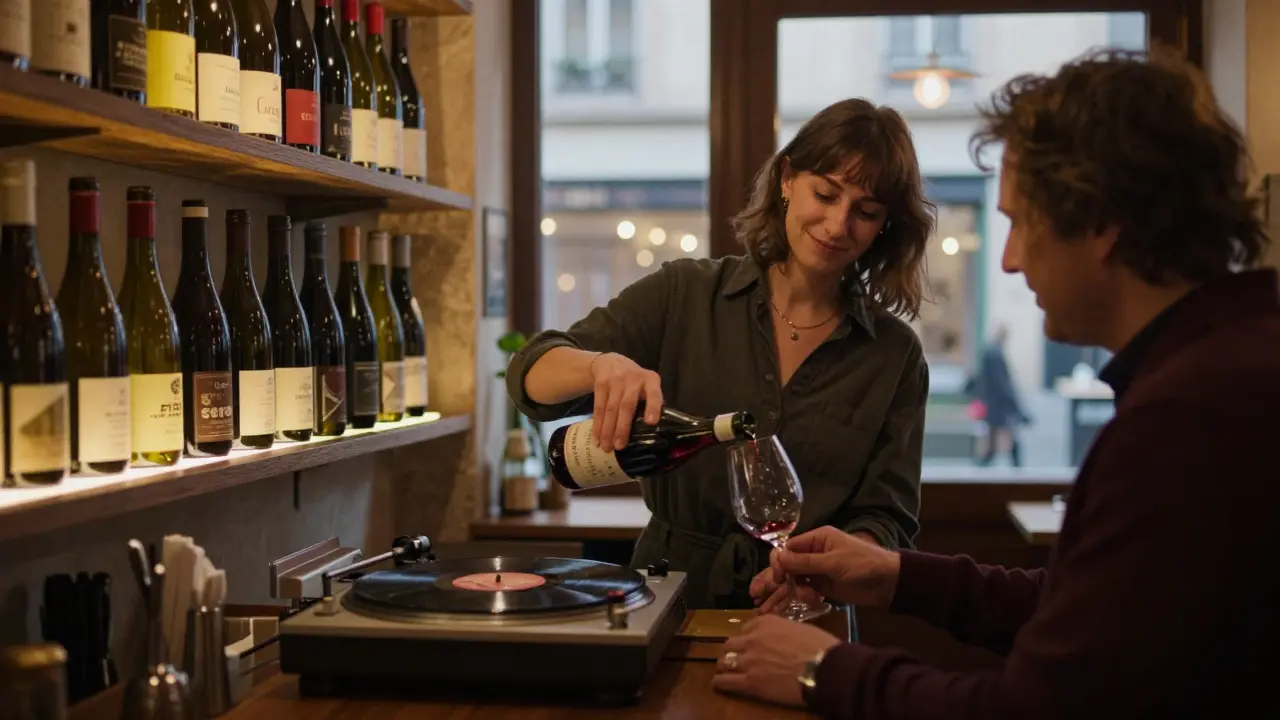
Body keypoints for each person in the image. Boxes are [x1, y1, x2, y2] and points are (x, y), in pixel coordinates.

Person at [721, 47, 1278, 716]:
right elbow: (1095, 614)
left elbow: (1041, 707)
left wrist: (824, 672)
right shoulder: (1231, 365)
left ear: (1099, 223)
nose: (1009, 261)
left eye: (1018, 222)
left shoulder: (1190, 416)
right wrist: (895, 575)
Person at [506, 98, 934, 609]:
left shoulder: (893, 354)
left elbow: (886, 516)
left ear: (886, 225)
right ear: (787, 179)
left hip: (800, 610)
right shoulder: (684, 293)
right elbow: (529, 374)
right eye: (826, 193)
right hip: (666, 598)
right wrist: (601, 365)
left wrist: (831, 574)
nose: (839, 224)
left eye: (865, 212)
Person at [974, 323, 1031, 466]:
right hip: (999, 403)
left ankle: (987, 462)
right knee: (1006, 433)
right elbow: (1002, 383)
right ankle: (1014, 463)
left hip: (993, 402)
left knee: (995, 434)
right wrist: (1014, 403)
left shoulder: (989, 352)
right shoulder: (995, 354)